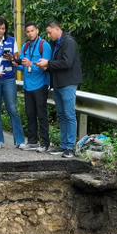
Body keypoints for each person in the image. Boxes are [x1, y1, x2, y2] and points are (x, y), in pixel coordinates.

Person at [40, 21, 82, 156]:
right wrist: (47, 66)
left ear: (57, 29)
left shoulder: (68, 42)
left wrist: (49, 63)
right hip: (57, 83)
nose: (48, 35)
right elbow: (56, 64)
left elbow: (67, 62)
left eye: (49, 32)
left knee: (69, 115)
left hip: (68, 83)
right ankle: (64, 145)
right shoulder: (56, 43)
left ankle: (70, 147)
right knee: (62, 115)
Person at [0, 17, 25, 150]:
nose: (1, 31)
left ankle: (20, 140)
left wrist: (12, 59)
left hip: (8, 77)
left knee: (12, 108)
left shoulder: (11, 40)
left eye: (3, 28)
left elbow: (17, 60)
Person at [20, 22, 52, 151]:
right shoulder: (25, 46)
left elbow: (45, 66)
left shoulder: (45, 45)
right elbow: (23, 65)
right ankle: (32, 141)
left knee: (41, 115)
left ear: (37, 31)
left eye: (32, 30)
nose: (30, 33)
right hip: (28, 86)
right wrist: (14, 62)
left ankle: (45, 143)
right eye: (27, 31)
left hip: (40, 85)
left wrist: (30, 64)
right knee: (30, 114)